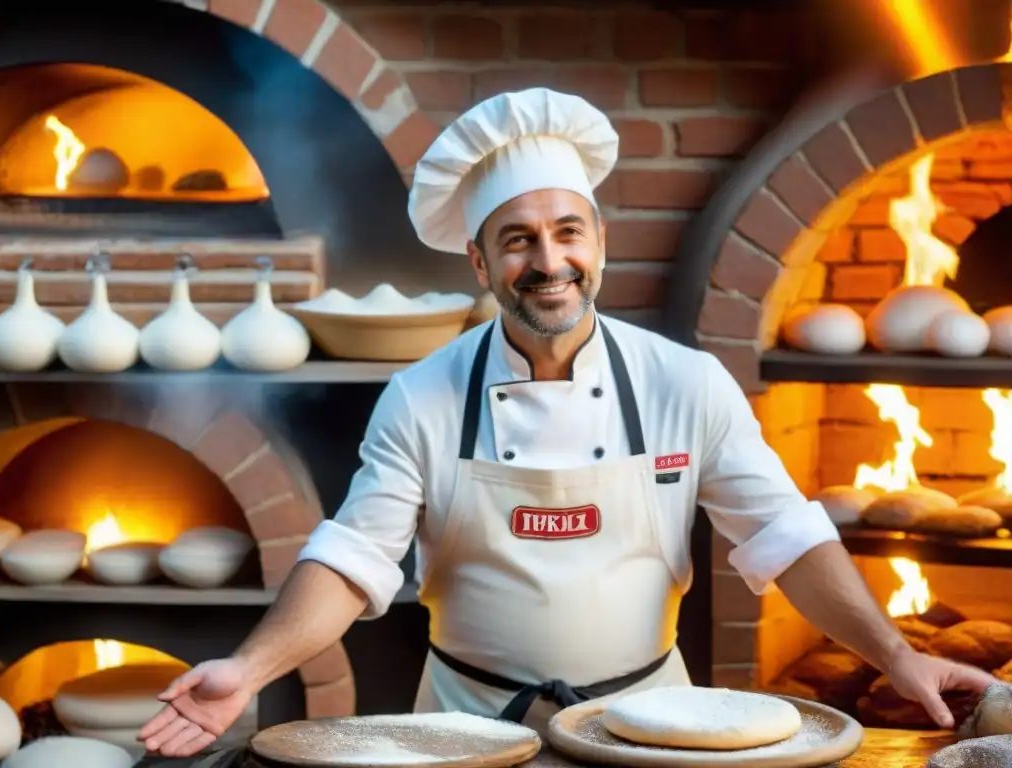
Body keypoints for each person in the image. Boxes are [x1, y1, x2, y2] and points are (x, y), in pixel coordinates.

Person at [139, 88, 997, 757]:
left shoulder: (683, 384)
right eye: (517, 240)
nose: (548, 263)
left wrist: (896, 655)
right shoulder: (423, 396)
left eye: (566, 232)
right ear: (480, 261)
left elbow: (784, 536)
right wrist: (246, 670)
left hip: (651, 728)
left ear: (599, 240)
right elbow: (354, 560)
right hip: (463, 733)